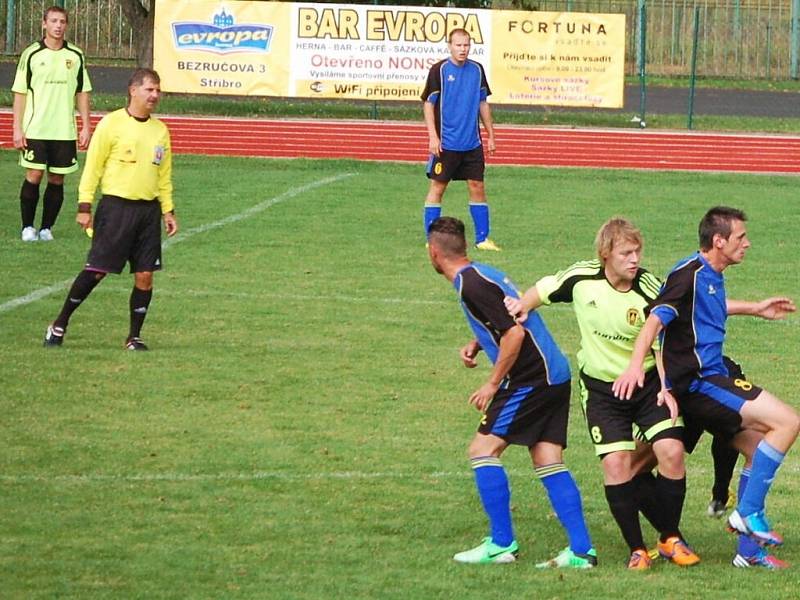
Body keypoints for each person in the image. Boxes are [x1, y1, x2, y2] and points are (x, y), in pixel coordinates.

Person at [504, 218, 698, 570]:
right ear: (606, 254)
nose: (634, 258)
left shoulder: (650, 288)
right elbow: (546, 288)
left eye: (638, 251)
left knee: (670, 451)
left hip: (648, 384)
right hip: (601, 390)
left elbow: (665, 340)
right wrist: (523, 305)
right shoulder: (582, 278)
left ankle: (669, 537)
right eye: (626, 252)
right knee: (616, 463)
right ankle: (637, 549)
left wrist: (666, 387)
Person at [614, 206, 799, 569]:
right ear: (719, 240)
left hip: (711, 377)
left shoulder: (710, 274)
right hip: (700, 384)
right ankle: (744, 514)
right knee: (788, 422)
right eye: (740, 237)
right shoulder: (688, 274)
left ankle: (748, 553)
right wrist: (637, 366)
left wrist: (756, 309)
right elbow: (655, 320)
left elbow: (707, 308)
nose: (747, 243)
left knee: (756, 447)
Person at [427, 216, 595, 567]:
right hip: (555, 373)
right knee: (547, 459)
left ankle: (502, 544)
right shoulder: (485, 272)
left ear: (433, 252)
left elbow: (514, 335)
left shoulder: (469, 285)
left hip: (531, 378)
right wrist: (479, 341)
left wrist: (491, 383)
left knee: (482, 449)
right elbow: (511, 318)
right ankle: (581, 551)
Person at [43, 68, 177, 351]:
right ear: (133, 90)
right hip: (116, 209)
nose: (155, 95)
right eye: (149, 89)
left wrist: (168, 210)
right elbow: (93, 168)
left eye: (157, 90)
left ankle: (134, 337)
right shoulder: (111, 124)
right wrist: (84, 206)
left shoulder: (160, 131)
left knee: (145, 275)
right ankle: (59, 324)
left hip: (148, 213)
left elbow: (163, 174)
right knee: (96, 271)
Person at [12, 5, 91, 242]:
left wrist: (86, 125)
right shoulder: (32, 54)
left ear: (66, 25)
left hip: (64, 131)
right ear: (44, 23)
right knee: (34, 174)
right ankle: (28, 227)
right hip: (36, 128)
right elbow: (20, 92)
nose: (58, 26)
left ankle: (46, 228)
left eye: (62, 22)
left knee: (57, 178)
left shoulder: (75, 55)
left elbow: (82, 92)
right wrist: (17, 128)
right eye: (54, 21)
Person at [421, 29, 499, 251]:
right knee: (438, 187)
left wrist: (490, 135)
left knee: (477, 186)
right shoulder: (440, 70)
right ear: (450, 46)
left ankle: (483, 239)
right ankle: (432, 240)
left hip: (472, 143)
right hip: (446, 143)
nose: (463, 49)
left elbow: (483, 103)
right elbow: (428, 104)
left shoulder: (477, 70)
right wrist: (433, 136)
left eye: (466, 45)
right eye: (458, 45)